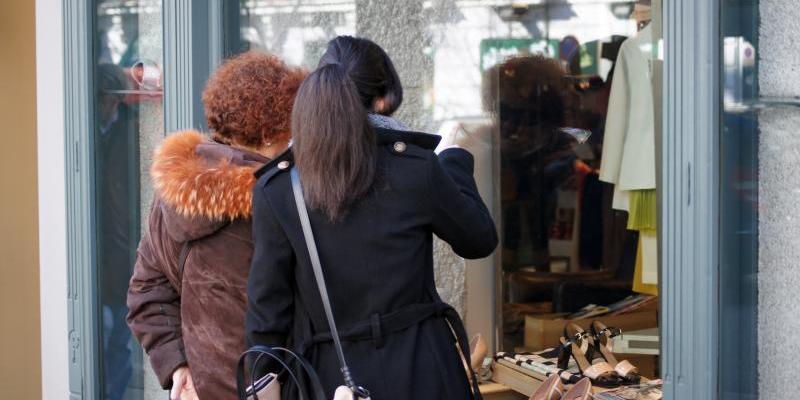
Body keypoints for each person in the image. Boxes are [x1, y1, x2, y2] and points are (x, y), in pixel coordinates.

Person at [246, 36, 498, 399]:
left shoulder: (279, 188)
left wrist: (268, 381)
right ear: (381, 100)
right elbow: (479, 240)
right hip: (423, 369)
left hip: (328, 378)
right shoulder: (416, 168)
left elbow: (266, 316)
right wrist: (455, 160)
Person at [126, 51, 306, 400]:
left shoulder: (175, 193)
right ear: (273, 129)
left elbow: (146, 292)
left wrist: (178, 365)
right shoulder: (281, 201)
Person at [96, 63, 139, 400]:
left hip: (123, 250)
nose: (102, 104)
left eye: (105, 97)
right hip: (96, 250)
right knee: (104, 334)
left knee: (119, 340)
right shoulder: (89, 132)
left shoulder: (130, 134)